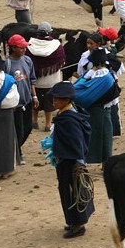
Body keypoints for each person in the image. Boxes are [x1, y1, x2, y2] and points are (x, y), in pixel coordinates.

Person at [48, 81, 94, 239]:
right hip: (64, 159)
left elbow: (77, 143)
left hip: (71, 162)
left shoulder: (69, 119)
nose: (54, 102)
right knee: (68, 191)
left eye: (58, 99)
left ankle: (78, 225)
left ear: (67, 100)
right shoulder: (66, 114)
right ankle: (74, 221)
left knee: (73, 192)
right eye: (53, 98)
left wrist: (78, 163)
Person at [73, 48, 117, 164]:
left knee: (93, 136)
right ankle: (105, 162)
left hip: (92, 111)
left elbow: (77, 89)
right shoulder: (105, 76)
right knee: (103, 138)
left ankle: (91, 161)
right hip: (99, 111)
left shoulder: (92, 75)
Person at [5, 34, 38, 164]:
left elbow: (32, 80)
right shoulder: (6, 64)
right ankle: (17, 153)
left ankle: (15, 149)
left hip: (27, 100)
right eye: (21, 47)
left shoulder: (27, 60)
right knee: (18, 130)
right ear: (13, 48)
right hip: (15, 104)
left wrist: (34, 95)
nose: (24, 50)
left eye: (25, 47)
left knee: (28, 128)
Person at [27, 22, 66, 131]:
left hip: (35, 81)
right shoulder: (56, 45)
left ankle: (34, 121)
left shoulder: (30, 44)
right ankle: (48, 124)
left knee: (35, 101)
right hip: (51, 81)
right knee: (49, 104)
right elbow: (62, 61)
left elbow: (27, 61)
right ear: (49, 33)